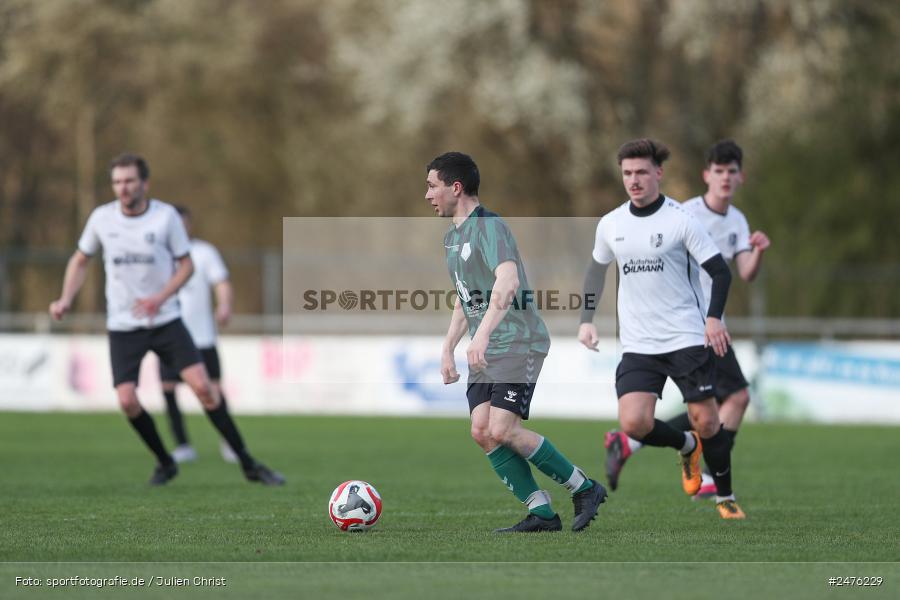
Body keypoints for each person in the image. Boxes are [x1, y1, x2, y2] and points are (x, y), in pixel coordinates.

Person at [49, 153, 284, 486]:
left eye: (129, 181)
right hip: (124, 326)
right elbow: (80, 260)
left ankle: (248, 463)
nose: (123, 188)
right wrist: (65, 299)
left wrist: (161, 297)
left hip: (166, 321)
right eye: (117, 182)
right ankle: (165, 461)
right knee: (127, 400)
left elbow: (186, 265)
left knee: (204, 388)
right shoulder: (102, 219)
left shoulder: (165, 217)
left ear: (144, 183)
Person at [428, 151, 607, 533]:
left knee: (502, 429)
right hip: (488, 346)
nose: (428, 195)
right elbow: (466, 297)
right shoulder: (452, 239)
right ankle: (542, 512)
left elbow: (507, 282)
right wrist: (448, 347)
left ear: (455, 188)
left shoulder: (489, 228)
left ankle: (585, 487)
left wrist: (485, 334)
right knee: (482, 430)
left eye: (432, 186)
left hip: (517, 340)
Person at [578, 139, 745, 519]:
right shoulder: (611, 224)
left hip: (686, 337)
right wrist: (586, 321)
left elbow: (719, 271)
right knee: (633, 422)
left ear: (658, 173)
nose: (634, 180)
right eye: (627, 173)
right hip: (638, 343)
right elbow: (595, 272)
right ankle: (688, 447)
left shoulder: (681, 220)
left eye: (641, 172)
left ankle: (725, 497)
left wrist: (714, 318)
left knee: (708, 419)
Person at [159, 205, 239, 465]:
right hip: (169, 336)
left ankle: (228, 441)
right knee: (168, 389)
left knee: (213, 389)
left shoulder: (204, 252)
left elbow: (222, 282)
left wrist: (224, 305)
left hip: (202, 337)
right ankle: (182, 445)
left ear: (189, 225)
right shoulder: (159, 255)